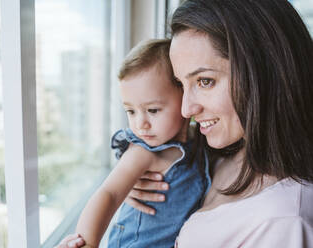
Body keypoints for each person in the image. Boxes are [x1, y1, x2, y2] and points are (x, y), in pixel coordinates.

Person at [128, 0, 313, 247]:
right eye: (181, 84)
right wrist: (144, 184)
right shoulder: (223, 151)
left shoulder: (283, 221)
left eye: (205, 81)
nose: (186, 110)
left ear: (265, 71)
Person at [55, 39, 210, 248]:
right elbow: (108, 194)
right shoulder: (143, 151)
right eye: (131, 111)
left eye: (152, 110)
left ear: (184, 95)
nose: (141, 124)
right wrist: (87, 243)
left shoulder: (199, 138)